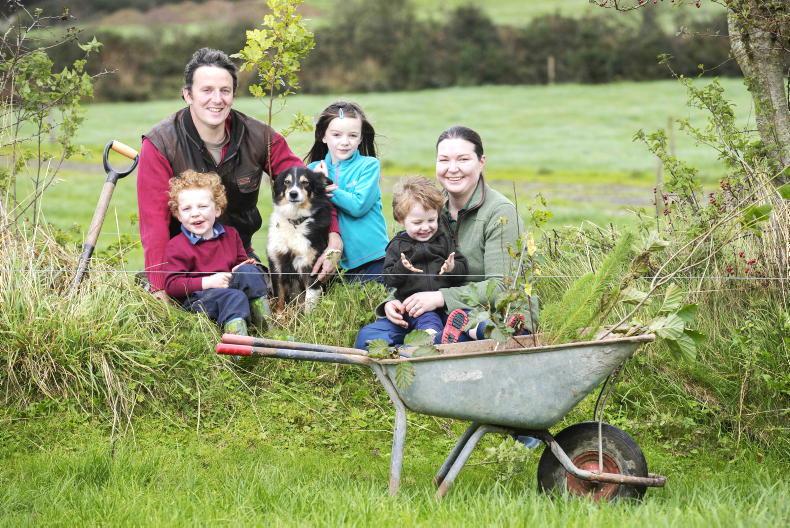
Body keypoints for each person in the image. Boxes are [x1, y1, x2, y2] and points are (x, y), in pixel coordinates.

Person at [137, 47, 342, 299]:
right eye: (206, 90)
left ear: (233, 94)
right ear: (187, 95)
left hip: (238, 257)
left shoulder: (260, 137)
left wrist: (334, 240)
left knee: (271, 297)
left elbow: (311, 186)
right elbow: (153, 222)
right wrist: (159, 286)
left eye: (225, 90)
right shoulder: (160, 144)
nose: (217, 99)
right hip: (184, 264)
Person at [354, 126, 526, 349]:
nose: (452, 169)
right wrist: (392, 303)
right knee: (370, 340)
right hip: (430, 310)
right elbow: (414, 266)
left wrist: (440, 297)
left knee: (440, 345)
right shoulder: (430, 209)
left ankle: (495, 333)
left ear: (481, 161)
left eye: (463, 159)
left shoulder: (500, 213)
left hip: (479, 311)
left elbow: (503, 287)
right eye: (444, 160)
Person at [163, 170, 268, 336]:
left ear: (217, 209)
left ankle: (266, 326)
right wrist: (208, 282)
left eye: (203, 206)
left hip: (229, 288)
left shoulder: (231, 235)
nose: (195, 213)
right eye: (187, 209)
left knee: (250, 272)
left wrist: (244, 266)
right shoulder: (176, 246)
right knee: (234, 297)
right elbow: (172, 285)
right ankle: (237, 343)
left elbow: (239, 263)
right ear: (178, 215)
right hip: (199, 300)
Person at [366, 176, 469, 344]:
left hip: (446, 303)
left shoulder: (443, 240)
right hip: (416, 307)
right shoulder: (397, 247)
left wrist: (452, 268)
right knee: (427, 321)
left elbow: (462, 271)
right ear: (401, 220)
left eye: (431, 220)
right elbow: (389, 279)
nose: (425, 227)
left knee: (467, 315)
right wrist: (402, 267)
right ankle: (435, 339)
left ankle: (481, 329)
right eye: (417, 222)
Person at [306, 101, 389, 282]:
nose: (345, 142)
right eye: (336, 135)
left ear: (360, 138)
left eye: (352, 135)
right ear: (323, 136)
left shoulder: (368, 166)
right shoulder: (312, 169)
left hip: (372, 258)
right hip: (333, 262)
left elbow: (358, 205)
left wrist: (324, 185)